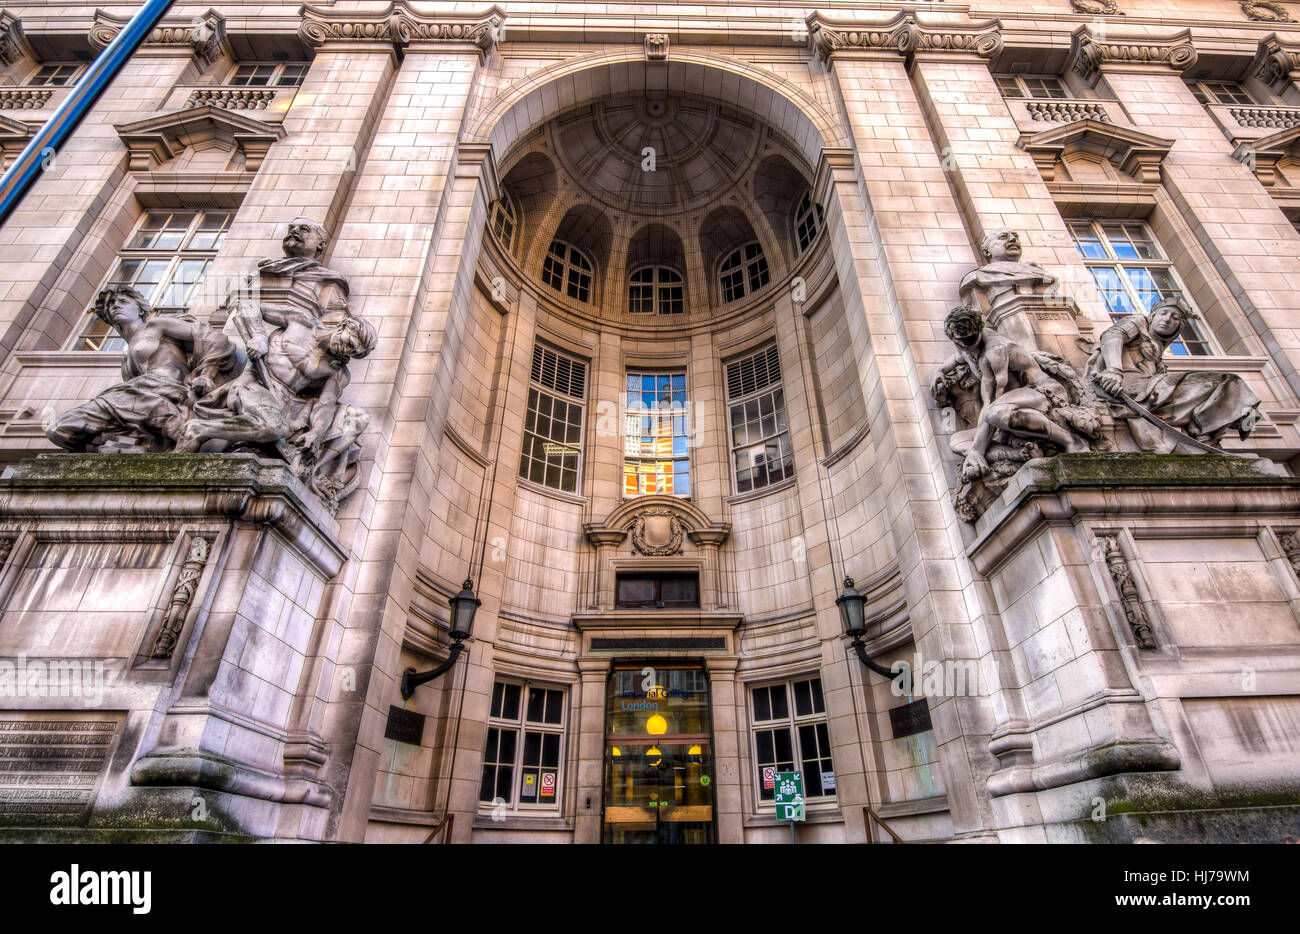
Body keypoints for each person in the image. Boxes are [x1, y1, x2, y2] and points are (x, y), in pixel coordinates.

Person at [46, 287, 236, 452]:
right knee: (61, 430)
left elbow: (214, 338)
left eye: (122, 301)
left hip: (162, 389)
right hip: (137, 396)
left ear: (140, 307)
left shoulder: (156, 326)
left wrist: (206, 375)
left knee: (64, 425)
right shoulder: (127, 358)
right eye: (111, 305)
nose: (116, 306)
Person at [936, 306, 1093, 482]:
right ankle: (1020, 454)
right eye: (961, 341)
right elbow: (959, 357)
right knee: (957, 441)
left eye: (970, 339)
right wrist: (941, 371)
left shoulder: (994, 351)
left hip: (1040, 392)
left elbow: (992, 402)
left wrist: (977, 450)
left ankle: (1071, 441)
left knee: (994, 413)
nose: (966, 345)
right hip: (1009, 408)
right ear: (953, 338)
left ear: (979, 330)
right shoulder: (964, 345)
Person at [1086, 296, 1261, 451]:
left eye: (1175, 318)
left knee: (1234, 396)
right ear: (1153, 315)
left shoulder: (1159, 353)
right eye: (1164, 313)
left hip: (1152, 389)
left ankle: (1215, 432)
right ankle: (1216, 430)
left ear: (1179, 327)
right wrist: (1114, 371)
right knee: (1230, 382)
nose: (1168, 319)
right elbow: (1113, 335)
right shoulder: (1139, 322)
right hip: (1134, 386)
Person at [959, 228, 1056, 311]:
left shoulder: (1037, 271)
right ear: (986, 251)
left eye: (1015, 236)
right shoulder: (977, 277)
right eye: (1003, 237)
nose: (1013, 239)